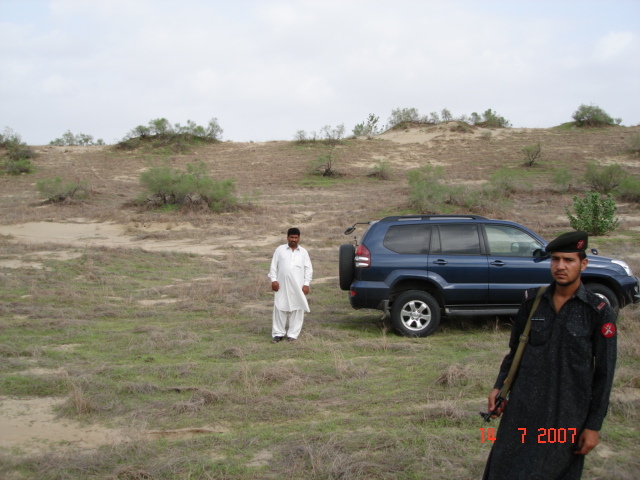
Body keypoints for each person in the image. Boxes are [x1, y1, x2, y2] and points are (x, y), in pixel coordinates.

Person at [483, 231, 617, 480]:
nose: (560, 266)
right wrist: (500, 387)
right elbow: (516, 351)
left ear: (583, 264)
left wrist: (593, 426)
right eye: (555, 260)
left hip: (567, 416)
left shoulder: (597, 311)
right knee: (504, 469)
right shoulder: (532, 302)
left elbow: (604, 373)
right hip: (523, 410)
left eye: (569, 260)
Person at [268, 227, 313, 343]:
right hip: (281, 285)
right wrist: (273, 280)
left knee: (297, 309)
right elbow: (273, 266)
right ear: (287, 237)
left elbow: (308, 270)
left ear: (299, 238)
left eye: (296, 237)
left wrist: (306, 284)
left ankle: (293, 335)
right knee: (279, 307)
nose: (293, 239)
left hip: (298, 287)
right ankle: (278, 334)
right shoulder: (280, 250)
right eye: (291, 237)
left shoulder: (303, 252)